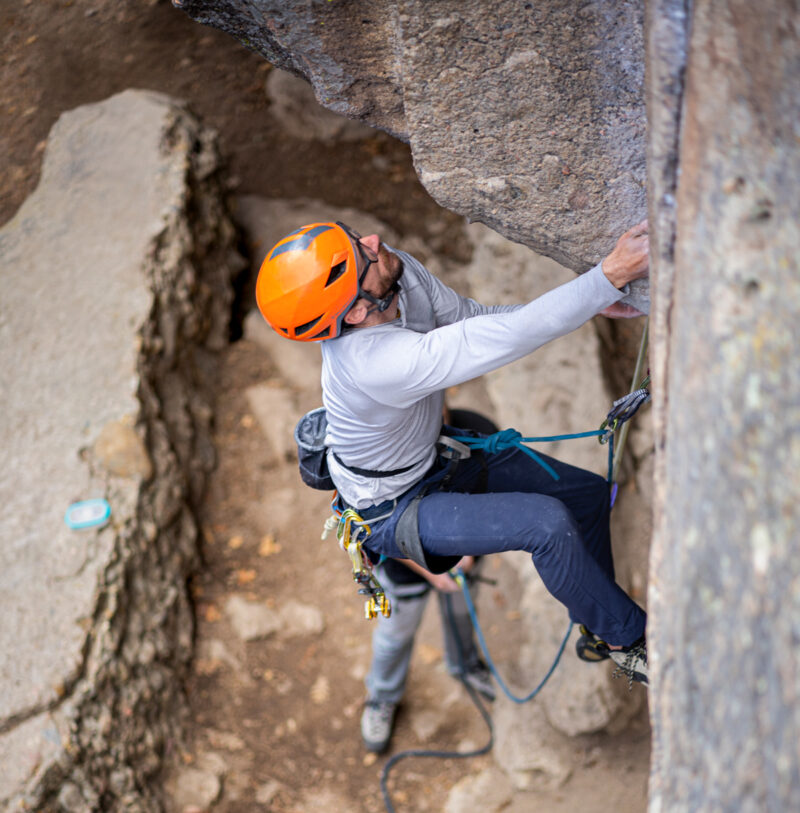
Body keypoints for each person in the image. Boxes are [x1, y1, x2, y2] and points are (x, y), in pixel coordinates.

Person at [254, 219, 650, 701]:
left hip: (435, 456)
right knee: (546, 524)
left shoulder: (390, 273)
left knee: (587, 496)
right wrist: (603, 278)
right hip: (394, 507)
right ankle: (631, 640)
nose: (375, 242)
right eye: (364, 254)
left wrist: (586, 301)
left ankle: (598, 619)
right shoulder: (376, 364)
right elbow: (498, 340)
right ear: (357, 311)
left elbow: (476, 320)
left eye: (358, 239)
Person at [360, 408, 498, 754]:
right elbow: (372, 529)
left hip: (462, 560)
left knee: (462, 615)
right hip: (403, 569)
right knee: (394, 637)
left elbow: (493, 496)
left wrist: (470, 548)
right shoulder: (378, 454)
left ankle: (464, 664)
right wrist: (433, 570)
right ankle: (382, 696)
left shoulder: (479, 434)